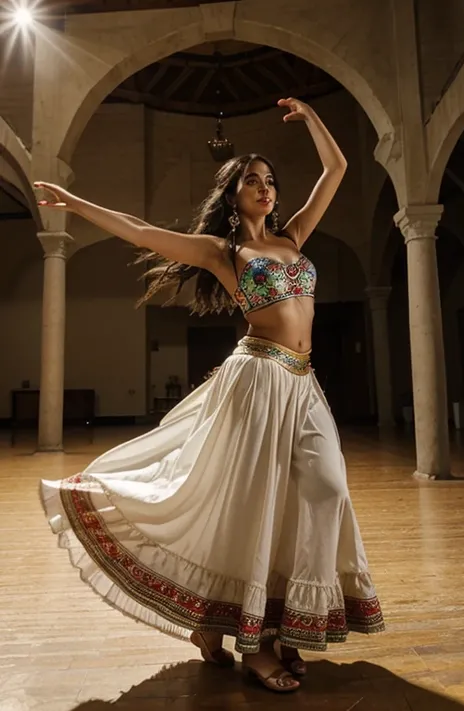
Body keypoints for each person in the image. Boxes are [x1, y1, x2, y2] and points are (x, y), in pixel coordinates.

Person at [37, 97, 384, 694]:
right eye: (254, 180)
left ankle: (267, 629)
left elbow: (339, 171)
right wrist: (73, 204)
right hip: (255, 379)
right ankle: (254, 642)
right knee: (255, 506)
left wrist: (312, 118)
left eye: (271, 180)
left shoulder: (294, 235)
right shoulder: (224, 253)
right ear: (232, 194)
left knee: (325, 490)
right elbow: (142, 231)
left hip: (303, 383)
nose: (267, 189)